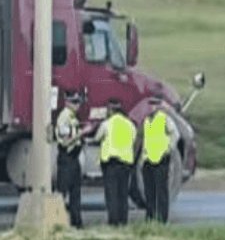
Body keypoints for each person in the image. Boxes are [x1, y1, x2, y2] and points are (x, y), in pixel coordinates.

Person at [92, 98, 137, 226]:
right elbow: (133, 138)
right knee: (123, 194)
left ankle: (113, 222)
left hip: (111, 163)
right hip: (126, 163)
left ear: (110, 110)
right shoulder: (130, 124)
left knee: (112, 194)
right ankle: (123, 221)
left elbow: (98, 137)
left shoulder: (107, 124)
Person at [139, 94, 181, 223]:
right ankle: (150, 216)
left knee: (161, 192)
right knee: (149, 191)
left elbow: (176, 134)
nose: (152, 107)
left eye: (155, 104)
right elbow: (146, 140)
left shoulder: (164, 119)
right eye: (150, 104)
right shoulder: (146, 121)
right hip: (148, 160)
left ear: (159, 105)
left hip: (161, 159)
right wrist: (142, 159)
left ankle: (162, 219)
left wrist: (168, 149)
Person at [55, 91, 86, 229]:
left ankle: (77, 222)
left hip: (74, 158)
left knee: (76, 192)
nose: (77, 105)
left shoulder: (73, 117)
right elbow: (65, 142)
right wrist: (81, 134)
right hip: (67, 158)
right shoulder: (63, 118)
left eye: (78, 102)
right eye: (74, 102)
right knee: (63, 192)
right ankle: (57, 220)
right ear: (67, 102)